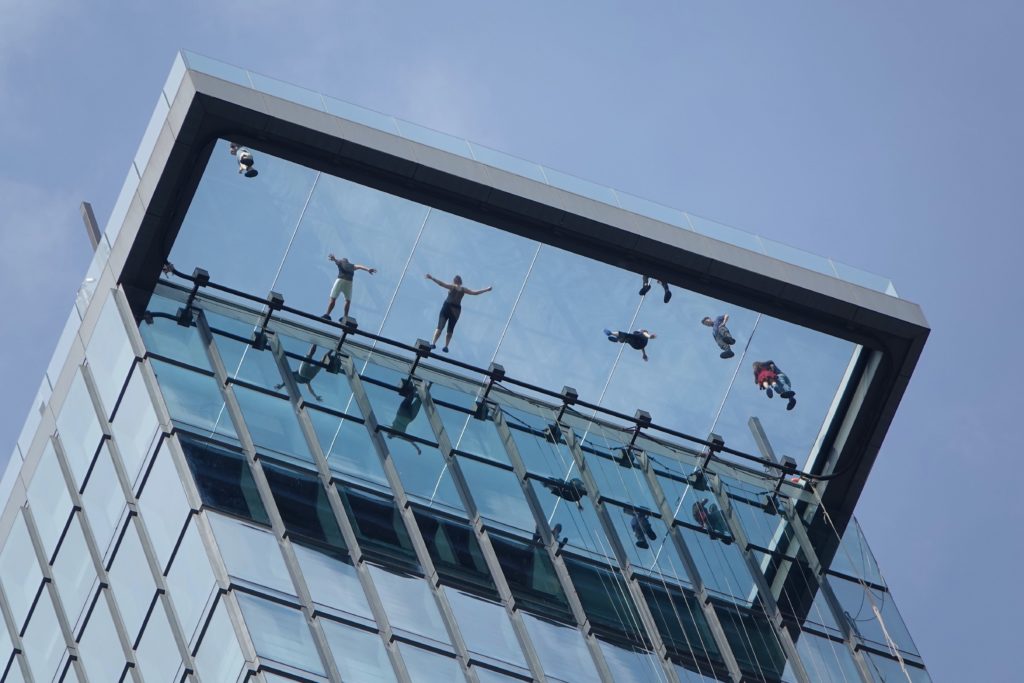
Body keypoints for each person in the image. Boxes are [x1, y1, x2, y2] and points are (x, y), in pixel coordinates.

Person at [425, 273, 492, 353]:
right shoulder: (458, 288)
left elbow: (441, 284)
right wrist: (486, 290)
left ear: (455, 281)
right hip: (452, 309)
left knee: (444, 328)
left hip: (451, 309)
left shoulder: (456, 287)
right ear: (459, 282)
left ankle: (439, 344)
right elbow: (474, 293)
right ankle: (441, 345)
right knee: (446, 328)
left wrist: (432, 278)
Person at [323, 254, 377, 320]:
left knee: (341, 299)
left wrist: (368, 269)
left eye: (344, 259)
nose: (344, 260)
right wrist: (334, 259)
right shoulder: (346, 264)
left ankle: (337, 316)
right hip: (346, 281)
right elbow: (360, 266)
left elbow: (360, 266)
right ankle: (334, 315)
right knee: (342, 300)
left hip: (343, 281)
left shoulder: (348, 264)